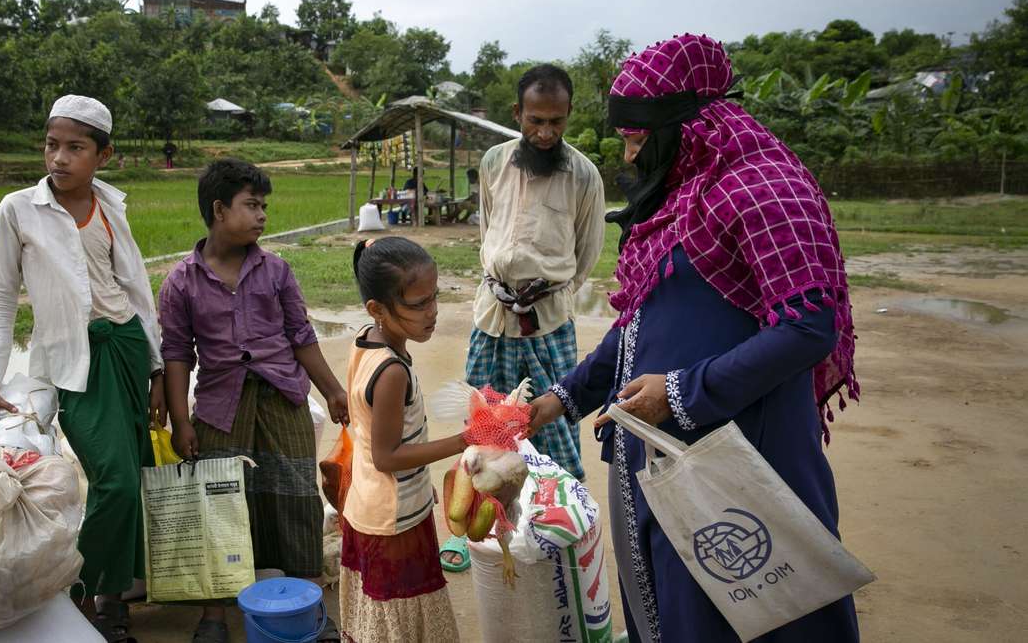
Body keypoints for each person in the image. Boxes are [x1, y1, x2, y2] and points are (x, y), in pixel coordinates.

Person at [528, 34, 861, 642]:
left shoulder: (764, 187)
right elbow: (641, 323)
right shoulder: (682, 194)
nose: (629, 158)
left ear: (681, 124)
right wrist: (561, 399)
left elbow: (810, 325)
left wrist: (680, 394)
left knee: (757, 610)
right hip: (662, 452)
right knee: (678, 613)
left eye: (635, 139)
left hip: (736, 457)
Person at [0, 94, 163, 643]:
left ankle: (116, 596)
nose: (59, 157)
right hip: (73, 362)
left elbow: (136, 290)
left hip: (125, 348)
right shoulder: (18, 209)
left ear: (102, 156)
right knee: (117, 481)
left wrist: (155, 369)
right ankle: (79, 594)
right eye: (52, 144)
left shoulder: (110, 206)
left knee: (138, 477)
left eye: (75, 147)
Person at [158, 158, 348, 643]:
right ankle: (215, 614)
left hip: (282, 399)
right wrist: (182, 422)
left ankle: (308, 603)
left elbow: (301, 337)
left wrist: (331, 389)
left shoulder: (276, 271)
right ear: (220, 210)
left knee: (295, 497)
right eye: (252, 205)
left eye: (265, 206)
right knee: (218, 503)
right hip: (221, 405)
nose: (263, 215)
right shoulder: (181, 281)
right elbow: (177, 356)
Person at [465, 63, 605, 481]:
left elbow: (587, 253)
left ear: (569, 115)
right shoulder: (494, 163)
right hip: (491, 318)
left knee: (552, 425)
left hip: (549, 324)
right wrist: (506, 287)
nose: (545, 132)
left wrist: (544, 294)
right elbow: (488, 231)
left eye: (556, 121)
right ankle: (491, 525)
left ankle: (557, 526)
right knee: (485, 427)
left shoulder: (583, 176)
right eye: (536, 121)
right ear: (517, 114)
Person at [340, 236, 464, 642]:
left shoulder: (368, 341)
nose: (432, 313)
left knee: (382, 609)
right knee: (400, 609)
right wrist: (465, 440)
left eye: (434, 298)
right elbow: (388, 455)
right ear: (378, 309)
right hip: (392, 518)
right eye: (417, 304)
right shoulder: (392, 372)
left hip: (370, 504)